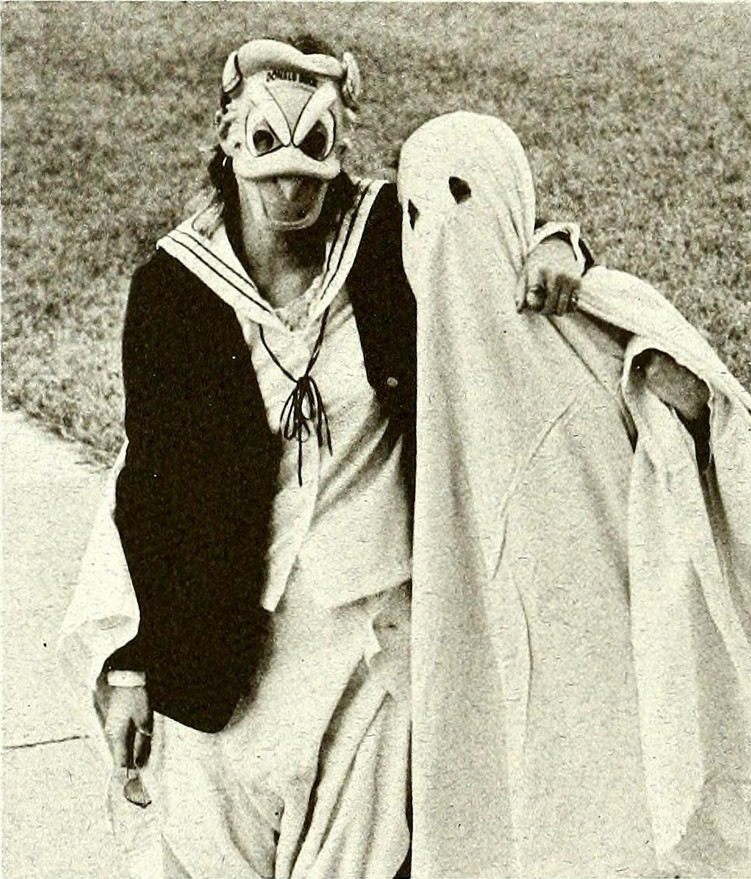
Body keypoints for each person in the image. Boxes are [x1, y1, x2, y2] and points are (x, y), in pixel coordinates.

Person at [58, 39, 591, 879]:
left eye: (312, 160)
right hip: (222, 642)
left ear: (340, 148)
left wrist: (559, 243)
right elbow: (145, 488)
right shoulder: (172, 290)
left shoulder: (387, 244)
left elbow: (482, 227)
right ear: (229, 142)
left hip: (368, 645)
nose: (289, 189)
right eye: (267, 159)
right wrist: (128, 662)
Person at [398, 111, 751, 878]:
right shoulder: (410, 331)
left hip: (618, 619)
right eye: (417, 213)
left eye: (463, 196)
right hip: (509, 639)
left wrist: (666, 386)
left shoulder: (595, 311)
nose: (444, 231)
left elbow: (719, 425)